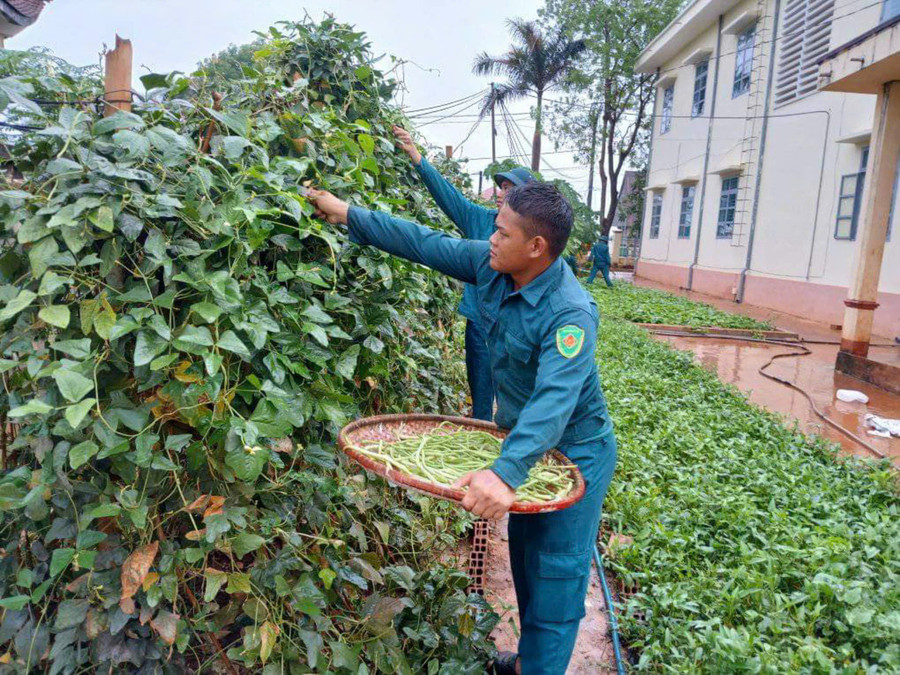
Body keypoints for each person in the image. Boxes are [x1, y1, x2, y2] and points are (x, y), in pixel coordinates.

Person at [309, 183, 617, 675]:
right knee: (525, 558)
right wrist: (348, 213)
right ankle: (527, 663)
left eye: (501, 231)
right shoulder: (492, 267)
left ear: (536, 247)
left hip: (575, 452)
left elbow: (554, 401)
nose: (490, 238)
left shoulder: (571, 313)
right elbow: (422, 241)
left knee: (556, 576)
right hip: (525, 448)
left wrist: (506, 471)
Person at [393, 126, 535, 422]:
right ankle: (482, 447)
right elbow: (449, 197)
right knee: (481, 396)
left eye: (511, 189)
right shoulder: (480, 220)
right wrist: (416, 156)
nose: (502, 193)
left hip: (517, 326)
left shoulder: (535, 236)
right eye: (502, 187)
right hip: (481, 326)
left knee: (518, 397)